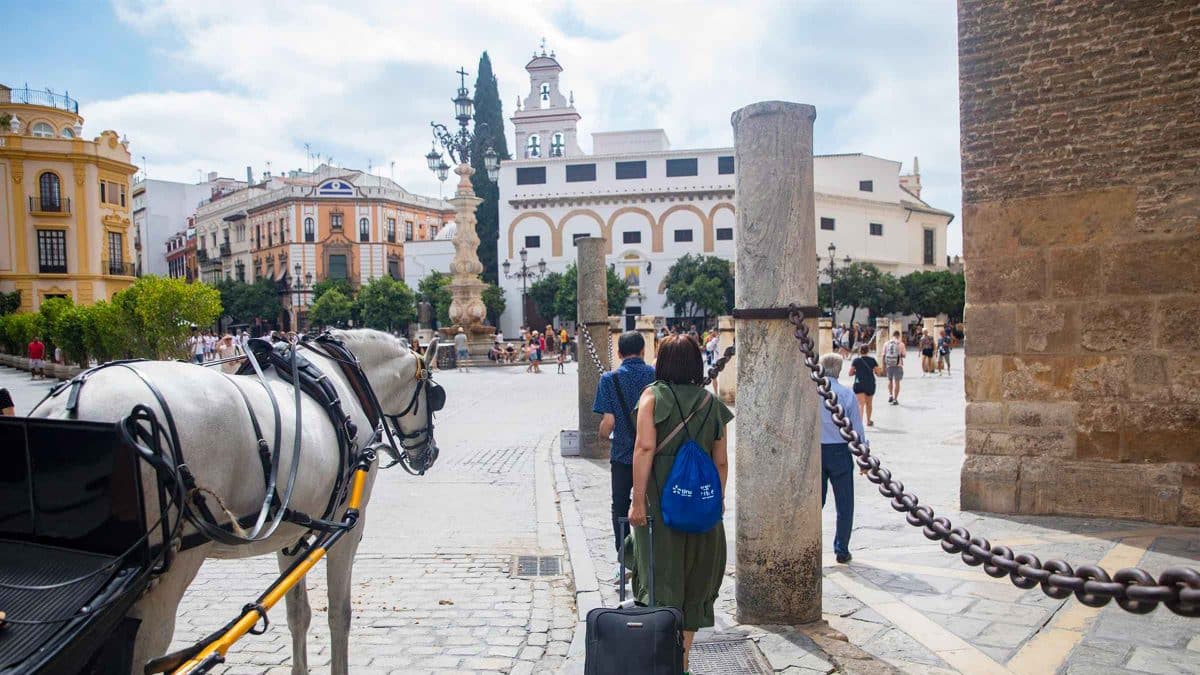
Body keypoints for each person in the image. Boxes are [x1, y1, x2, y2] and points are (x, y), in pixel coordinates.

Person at [627, 334, 733, 674]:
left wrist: (638, 501)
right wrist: (714, 503)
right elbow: (722, 463)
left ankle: (664, 660)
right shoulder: (710, 402)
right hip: (702, 510)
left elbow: (644, 449)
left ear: (662, 363)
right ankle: (683, 660)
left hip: (660, 509)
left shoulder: (652, 398)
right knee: (693, 584)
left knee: (661, 580)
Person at [592, 331, 657, 579]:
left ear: (619, 354)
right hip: (650, 455)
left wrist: (601, 436)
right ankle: (650, 556)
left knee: (620, 507)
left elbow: (608, 422)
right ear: (643, 351)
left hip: (621, 456)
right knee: (650, 505)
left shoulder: (609, 379)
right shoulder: (654, 376)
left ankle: (625, 558)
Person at [819, 352, 868, 564]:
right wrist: (863, 456)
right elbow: (857, 429)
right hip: (840, 452)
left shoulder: (813, 392)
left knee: (814, 504)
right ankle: (841, 548)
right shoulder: (847, 394)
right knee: (844, 503)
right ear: (839, 370)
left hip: (816, 452)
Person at [848, 344, 880, 426]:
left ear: (860, 351)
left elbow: (850, 373)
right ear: (868, 351)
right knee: (869, 404)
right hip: (870, 384)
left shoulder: (856, 360)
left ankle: (859, 423)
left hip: (859, 384)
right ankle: (868, 421)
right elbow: (878, 373)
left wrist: (857, 372)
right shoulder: (872, 360)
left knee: (860, 404)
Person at [883, 330, 906, 405]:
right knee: (897, 382)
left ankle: (890, 395)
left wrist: (884, 365)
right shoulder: (901, 344)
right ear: (899, 336)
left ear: (892, 335)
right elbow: (904, 355)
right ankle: (895, 399)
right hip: (898, 365)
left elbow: (884, 355)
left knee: (890, 380)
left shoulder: (886, 343)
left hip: (889, 365)